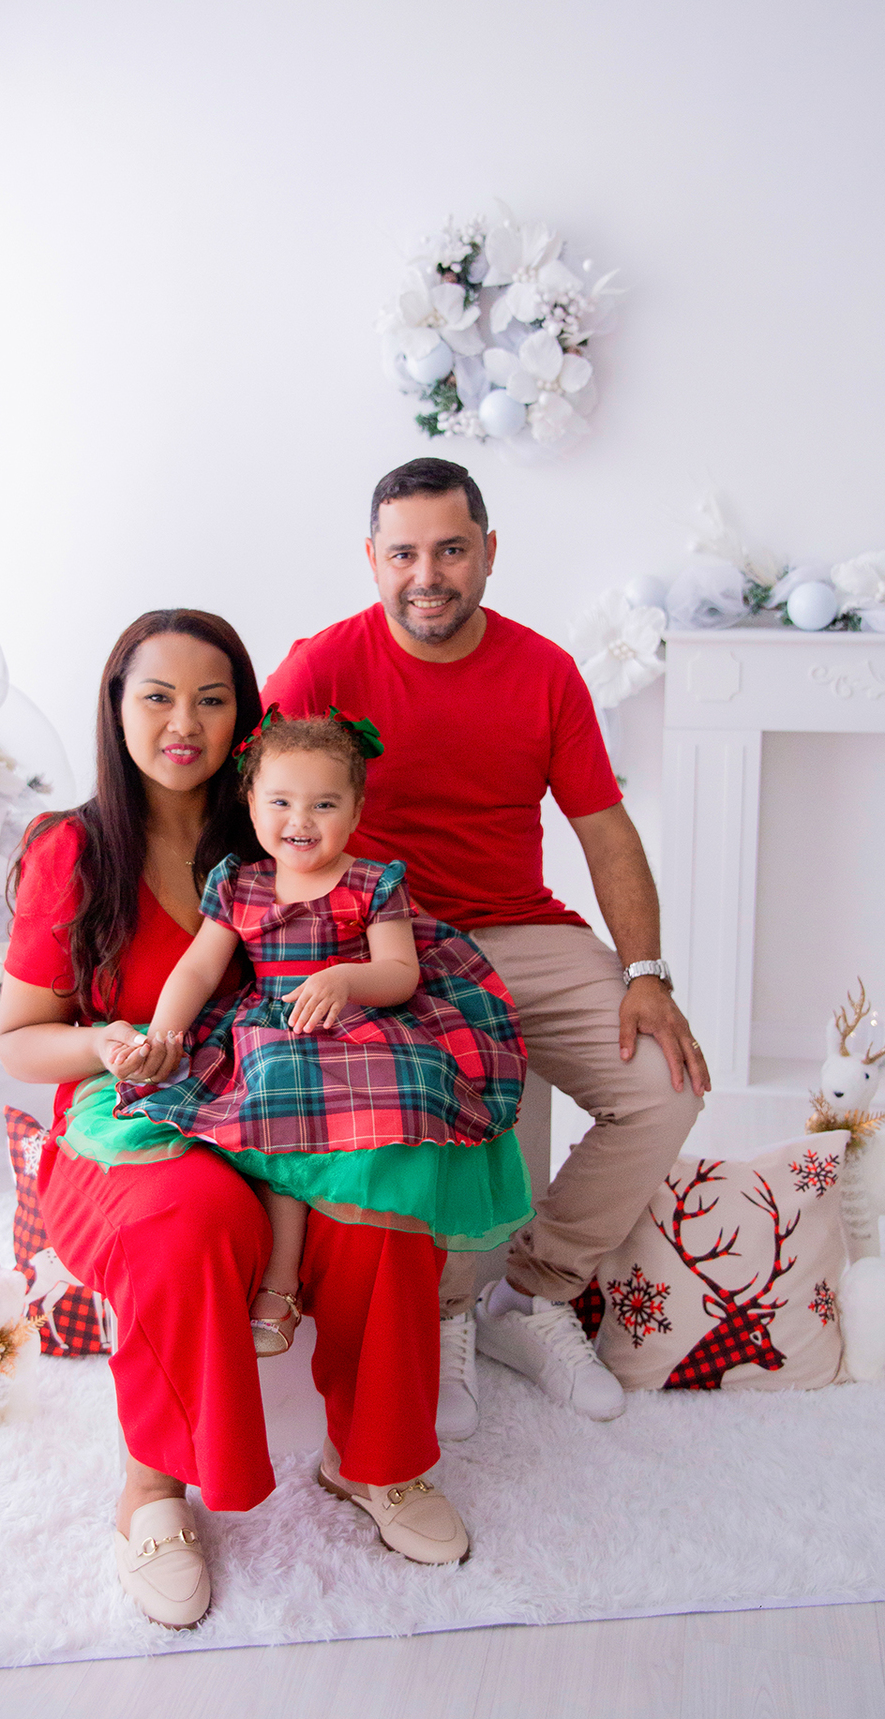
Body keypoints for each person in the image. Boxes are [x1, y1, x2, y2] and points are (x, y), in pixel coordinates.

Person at [0, 610, 472, 1634]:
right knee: (188, 1219)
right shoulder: (72, 849)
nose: (183, 722)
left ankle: (379, 1463)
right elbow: (20, 1040)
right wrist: (112, 1041)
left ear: (245, 723)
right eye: (156, 696)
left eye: (212, 700)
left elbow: (374, 953)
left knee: (380, 1207)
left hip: (286, 1103)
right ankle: (153, 1488)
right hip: (137, 1121)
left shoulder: (279, 830)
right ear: (115, 708)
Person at [262, 459, 711, 1441]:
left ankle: (529, 1291)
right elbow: (254, 813)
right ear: (373, 562)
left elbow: (604, 827)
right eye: (406, 553)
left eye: (452, 549)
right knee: (452, 1075)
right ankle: (448, 1313)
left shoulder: (543, 671)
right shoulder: (322, 668)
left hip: (522, 928)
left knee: (667, 1084)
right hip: (388, 938)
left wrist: (644, 975)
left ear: (489, 553)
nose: (430, 574)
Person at [98, 709, 530, 1357]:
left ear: (355, 810)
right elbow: (197, 968)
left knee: (417, 1088)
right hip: (270, 1025)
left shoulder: (371, 883)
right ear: (251, 803)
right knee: (270, 1098)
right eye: (281, 801)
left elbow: (400, 973)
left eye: (323, 804)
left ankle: (371, 1282)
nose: (300, 821)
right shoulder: (239, 885)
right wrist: (162, 1035)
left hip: (356, 1028)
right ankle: (280, 1285)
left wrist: (346, 979)